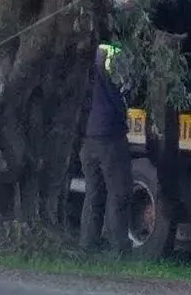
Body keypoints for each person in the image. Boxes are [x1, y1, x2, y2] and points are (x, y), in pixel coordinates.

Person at [79, 42, 133, 257]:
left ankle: (87, 244)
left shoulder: (86, 51)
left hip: (88, 136)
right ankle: (119, 248)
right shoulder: (113, 52)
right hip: (109, 135)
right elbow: (125, 86)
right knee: (119, 192)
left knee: (94, 193)